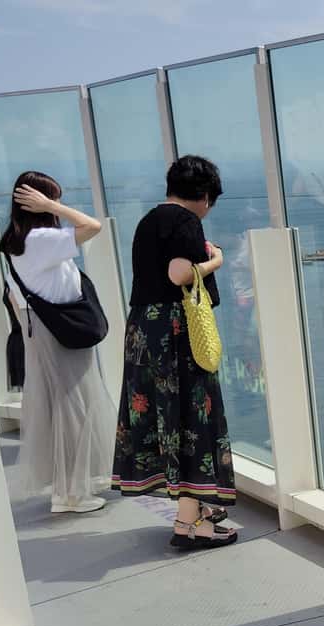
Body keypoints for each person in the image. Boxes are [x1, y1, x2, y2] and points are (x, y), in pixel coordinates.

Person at [111, 155, 237, 550]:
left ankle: (192, 513)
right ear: (204, 196)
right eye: (210, 201)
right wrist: (216, 259)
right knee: (191, 415)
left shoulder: (148, 220)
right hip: (175, 331)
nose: (208, 208)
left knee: (167, 415)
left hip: (143, 329)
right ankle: (189, 522)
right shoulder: (185, 221)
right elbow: (179, 274)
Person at [0, 172, 115, 514]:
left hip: (40, 330)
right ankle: (72, 494)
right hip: (60, 333)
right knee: (73, 407)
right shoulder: (40, 240)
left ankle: (68, 489)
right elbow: (93, 226)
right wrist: (54, 207)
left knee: (61, 406)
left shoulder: (15, 241)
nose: (57, 204)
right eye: (53, 197)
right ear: (38, 202)